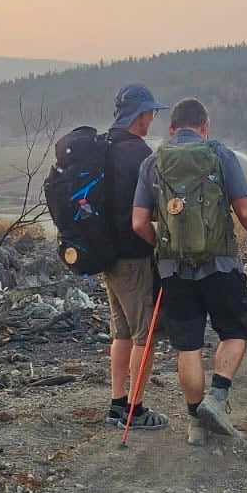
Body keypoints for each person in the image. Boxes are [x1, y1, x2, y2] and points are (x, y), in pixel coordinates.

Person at [132, 98, 247, 446]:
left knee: (188, 346)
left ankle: (196, 423)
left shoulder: (152, 162)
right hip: (221, 264)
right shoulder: (220, 154)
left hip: (173, 269)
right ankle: (218, 396)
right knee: (235, 330)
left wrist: (163, 249)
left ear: (171, 130)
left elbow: (138, 222)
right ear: (204, 126)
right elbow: (244, 210)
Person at [101, 84, 169, 430]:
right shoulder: (139, 154)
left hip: (104, 256)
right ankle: (135, 410)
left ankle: (117, 404)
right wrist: (158, 242)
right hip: (133, 257)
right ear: (140, 115)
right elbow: (147, 215)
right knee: (145, 334)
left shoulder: (104, 146)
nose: (151, 120)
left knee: (122, 332)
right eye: (151, 114)